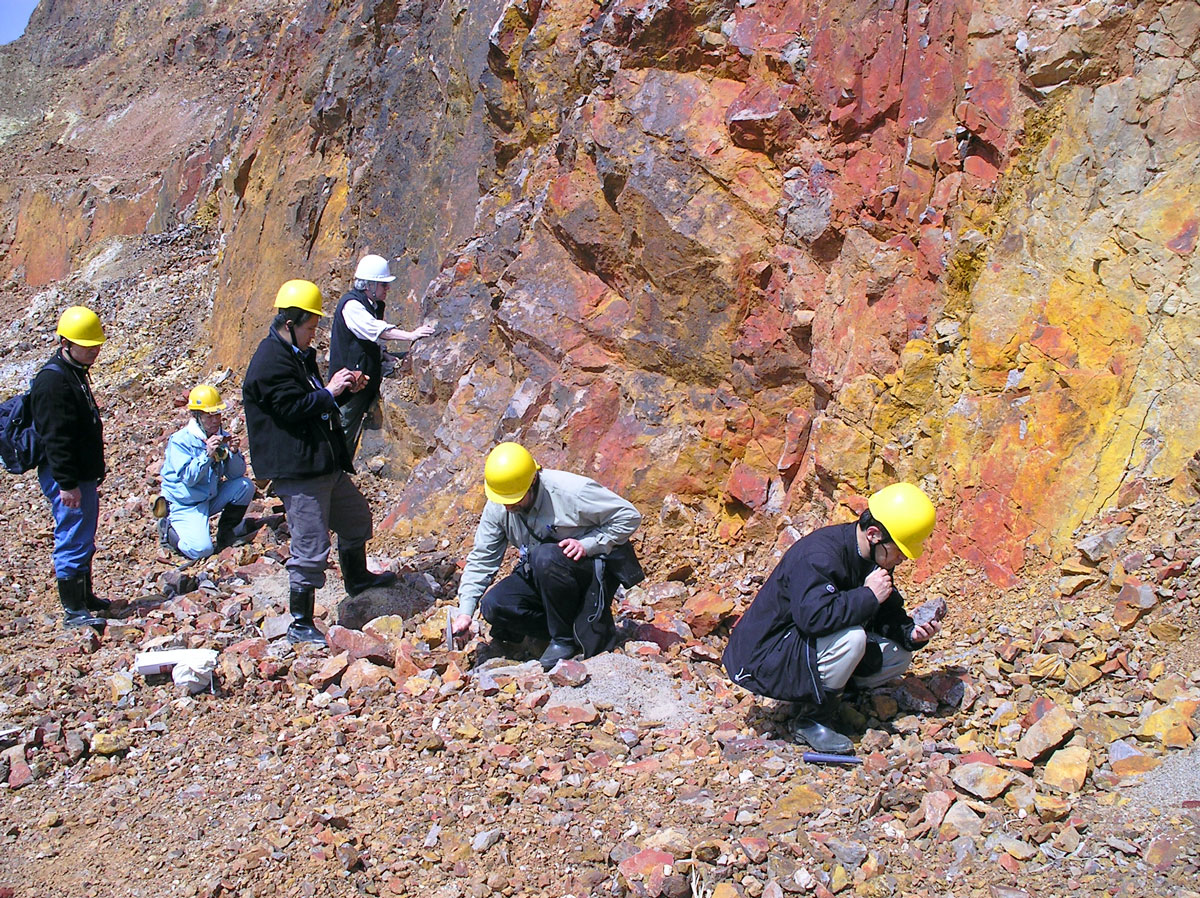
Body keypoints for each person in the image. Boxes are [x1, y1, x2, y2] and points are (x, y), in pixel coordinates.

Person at [722, 483, 941, 753]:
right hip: (762, 659)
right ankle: (813, 719)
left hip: (797, 646)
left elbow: (885, 608)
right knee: (853, 639)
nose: (901, 560)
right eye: (899, 551)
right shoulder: (819, 555)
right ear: (874, 534)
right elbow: (813, 618)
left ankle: (832, 692)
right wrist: (868, 595)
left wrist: (910, 633)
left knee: (897, 656)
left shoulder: (873, 555)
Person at [242, 279, 396, 645]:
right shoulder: (269, 362)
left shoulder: (297, 355)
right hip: (299, 470)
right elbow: (293, 410)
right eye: (310, 328)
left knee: (356, 517)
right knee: (310, 547)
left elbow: (316, 406)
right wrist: (331, 391)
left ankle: (356, 578)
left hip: (322, 461)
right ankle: (300, 621)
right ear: (290, 324)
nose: (314, 335)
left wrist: (341, 393)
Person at [449, 442, 644, 670]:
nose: (509, 506)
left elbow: (629, 516)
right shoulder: (499, 505)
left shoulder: (571, 491)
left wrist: (587, 544)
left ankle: (565, 641)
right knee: (494, 605)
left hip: (585, 571)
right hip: (544, 573)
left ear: (532, 481)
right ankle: (565, 629)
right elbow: (482, 558)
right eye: (504, 500)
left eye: (515, 498)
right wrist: (465, 613)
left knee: (545, 556)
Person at [30, 306, 109, 630]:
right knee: (72, 536)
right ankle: (73, 609)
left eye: (96, 345)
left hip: (80, 473)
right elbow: (55, 438)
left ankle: (85, 597)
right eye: (87, 345)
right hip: (68, 476)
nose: (94, 350)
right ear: (66, 342)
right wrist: (66, 483)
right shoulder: (52, 382)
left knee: (83, 535)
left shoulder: (73, 371)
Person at [327, 254, 436, 455]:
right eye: (383, 285)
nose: (387, 289)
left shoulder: (373, 304)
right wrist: (411, 335)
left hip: (366, 374)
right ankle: (333, 468)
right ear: (369, 285)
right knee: (344, 426)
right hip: (350, 384)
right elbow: (375, 330)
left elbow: (371, 340)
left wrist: (384, 355)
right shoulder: (352, 306)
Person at [157, 384, 257, 559]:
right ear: (196, 416)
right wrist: (207, 456)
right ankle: (169, 531)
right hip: (185, 504)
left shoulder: (220, 436)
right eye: (209, 416)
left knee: (245, 486)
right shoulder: (181, 441)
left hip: (209, 497)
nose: (215, 420)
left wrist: (233, 453)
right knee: (202, 551)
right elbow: (188, 478)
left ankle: (227, 533)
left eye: (217, 414)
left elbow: (236, 474)